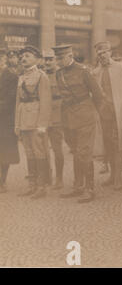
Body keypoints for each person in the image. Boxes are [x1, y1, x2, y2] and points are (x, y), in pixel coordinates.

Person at [53, 44, 105, 204]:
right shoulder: (59, 73)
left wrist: (93, 113)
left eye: (61, 58)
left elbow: (98, 95)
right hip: (68, 117)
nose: (58, 61)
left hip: (85, 115)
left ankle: (89, 189)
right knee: (75, 151)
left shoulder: (83, 71)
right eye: (57, 58)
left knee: (84, 152)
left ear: (70, 56)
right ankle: (78, 186)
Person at [15, 46, 52, 199]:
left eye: (28, 56)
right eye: (22, 56)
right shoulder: (21, 77)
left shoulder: (41, 76)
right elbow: (18, 102)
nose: (24, 59)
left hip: (36, 120)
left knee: (39, 152)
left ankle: (41, 186)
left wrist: (42, 124)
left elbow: (46, 101)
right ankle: (32, 185)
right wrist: (16, 124)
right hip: (24, 119)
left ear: (36, 59)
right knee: (29, 153)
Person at [92, 41, 122, 190]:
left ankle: (118, 178)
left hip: (118, 113)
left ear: (110, 52)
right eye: (99, 54)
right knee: (108, 146)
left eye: (105, 52)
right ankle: (112, 175)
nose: (102, 56)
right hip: (103, 115)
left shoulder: (121, 68)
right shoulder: (96, 72)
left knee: (117, 145)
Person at [42, 49, 65, 190]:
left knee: (57, 149)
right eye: (46, 59)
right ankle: (46, 176)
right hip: (43, 117)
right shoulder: (42, 75)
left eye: (51, 59)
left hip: (57, 116)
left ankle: (59, 178)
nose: (48, 62)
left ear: (56, 60)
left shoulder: (61, 75)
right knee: (43, 149)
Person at [0, 49, 20, 193]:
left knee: (5, 151)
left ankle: (2, 182)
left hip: (5, 119)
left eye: (1, 58)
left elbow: (12, 100)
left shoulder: (12, 76)